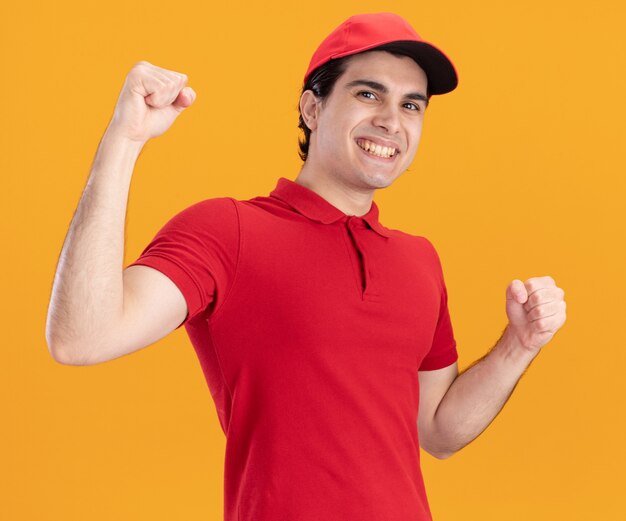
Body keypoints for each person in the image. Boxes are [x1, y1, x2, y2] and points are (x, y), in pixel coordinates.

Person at [45, 12, 567, 521]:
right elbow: (82, 337)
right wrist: (125, 141)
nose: (391, 119)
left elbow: (438, 433)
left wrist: (517, 346)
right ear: (312, 109)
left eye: (412, 105)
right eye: (368, 93)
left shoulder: (419, 258)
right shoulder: (228, 230)